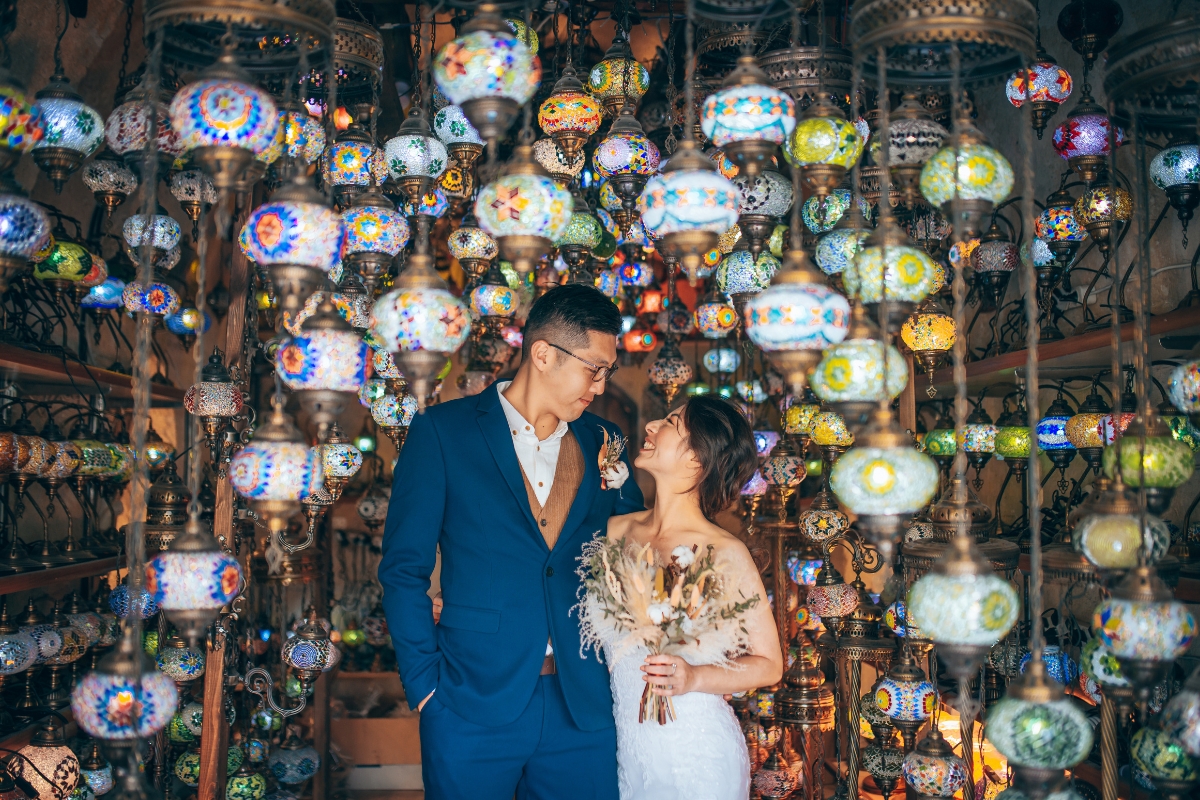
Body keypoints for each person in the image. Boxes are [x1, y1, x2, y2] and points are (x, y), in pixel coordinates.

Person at [379, 284, 645, 800]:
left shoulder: (603, 441)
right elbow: (403, 569)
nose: (601, 384)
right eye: (595, 367)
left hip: (583, 701)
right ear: (543, 353)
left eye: (608, 371)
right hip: (468, 699)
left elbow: (635, 551)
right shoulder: (442, 432)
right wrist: (425, 687)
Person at [585, 395, 783, 800]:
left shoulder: (723, 552)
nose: (652, 425)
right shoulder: (614, 530)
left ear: (697, 459)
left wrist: (694, 677)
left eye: (672, 422)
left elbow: (770, 665)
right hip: (626, 748)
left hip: (698, 753)